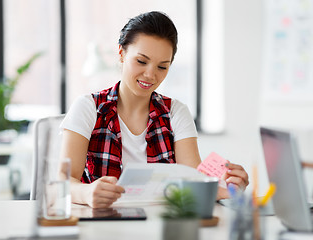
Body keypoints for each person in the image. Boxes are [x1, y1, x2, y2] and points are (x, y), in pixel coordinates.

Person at [60, 11, 249, 208]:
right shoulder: (89, 107)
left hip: (164, 224)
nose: (150, 74)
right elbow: (62, 181)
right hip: (104, 222)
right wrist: (86, 193)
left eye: (162, 67)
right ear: (121, 53)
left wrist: (230, 187)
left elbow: (194, 182)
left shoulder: (175, 112)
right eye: (141, 61)